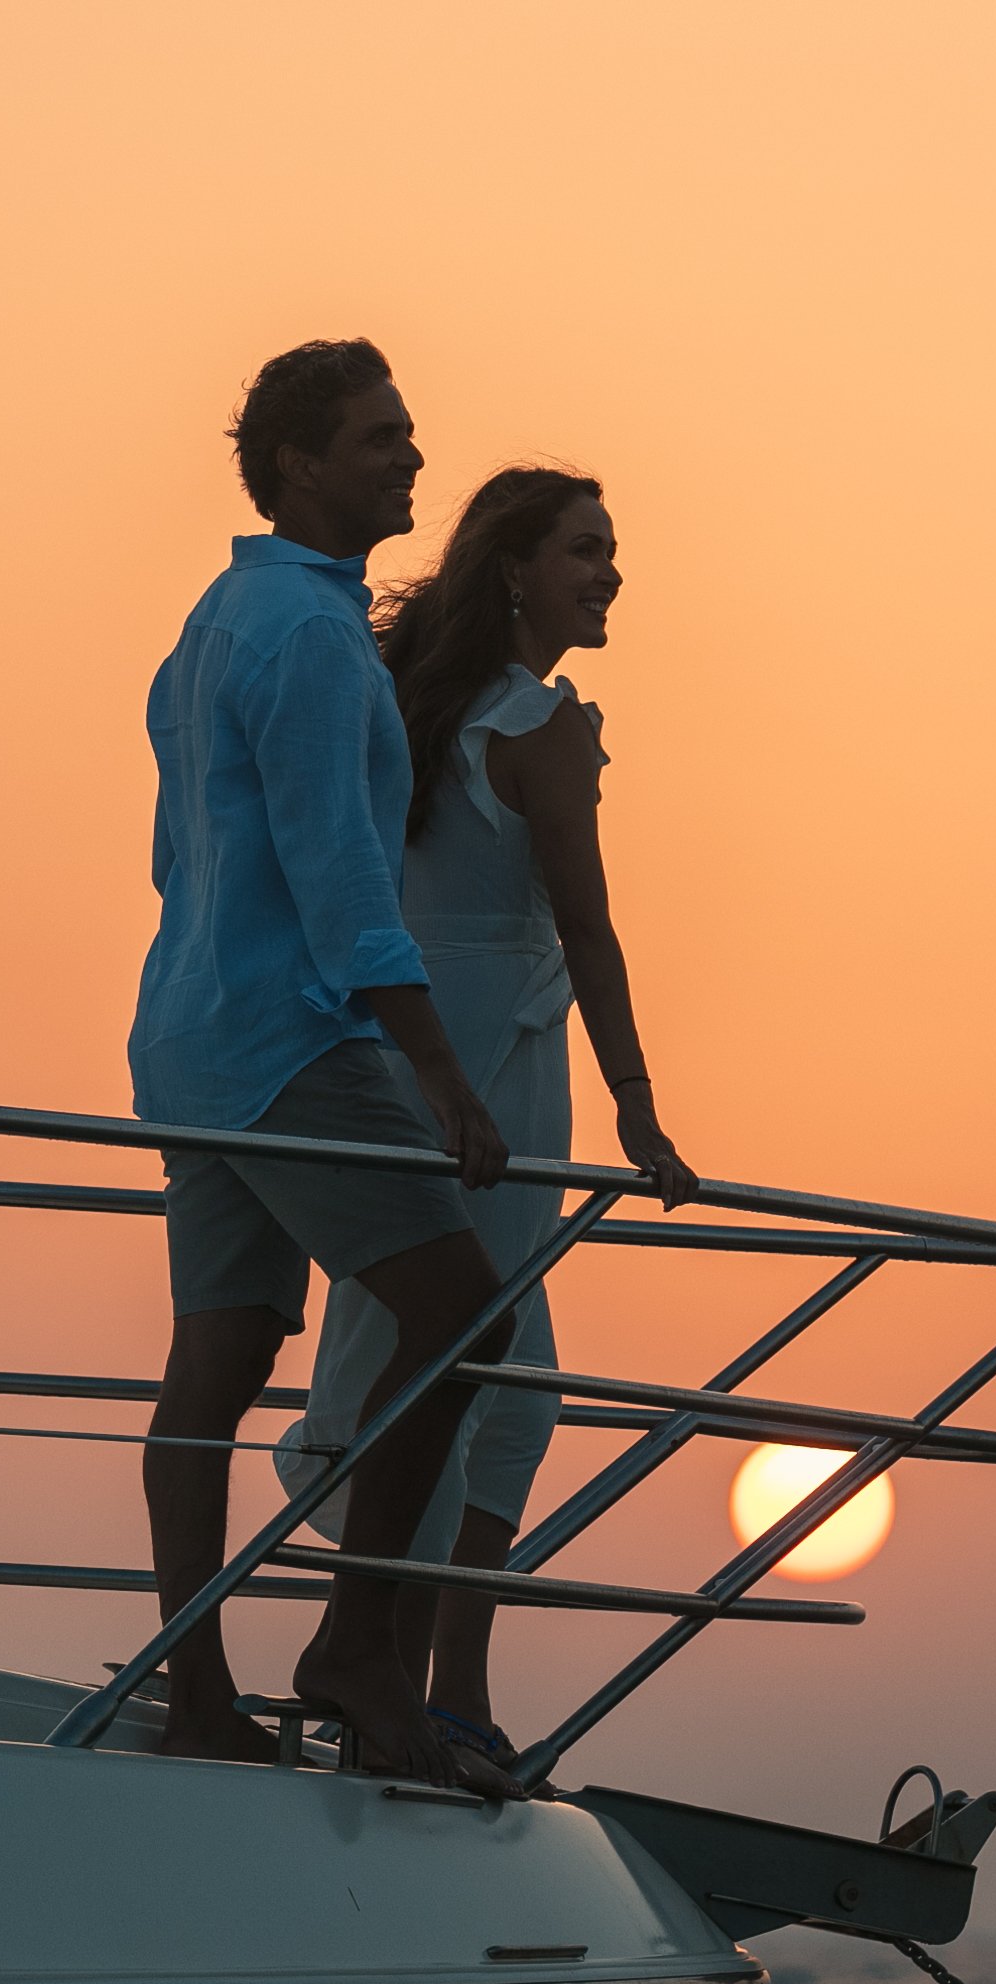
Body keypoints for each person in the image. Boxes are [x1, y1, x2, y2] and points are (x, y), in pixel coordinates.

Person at [128, 338, 517, 1790]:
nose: (410, 456)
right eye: (379, 437)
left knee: (219, 1362)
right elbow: (341, 876)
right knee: (464, 1315)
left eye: (409, 433)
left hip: (190, 1034)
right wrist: (445, 1075)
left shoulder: (222, 619)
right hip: (290, 1037)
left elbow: (181, 850)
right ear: (298, 461)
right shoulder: (299, 636)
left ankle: (200, 1688)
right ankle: (359, 1643)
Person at [272, 466, 697, 1778]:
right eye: (585, 548)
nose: (609, 570)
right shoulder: (535, 726)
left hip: (412, 1048)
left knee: (472, 1368)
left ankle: (423, 1676)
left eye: (613, 549)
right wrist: (639, 1105)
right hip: (498, 1067)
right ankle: (429, 1682)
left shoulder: (419, 707)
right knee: (491, 1378)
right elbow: (588, 926)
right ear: (513, 567)